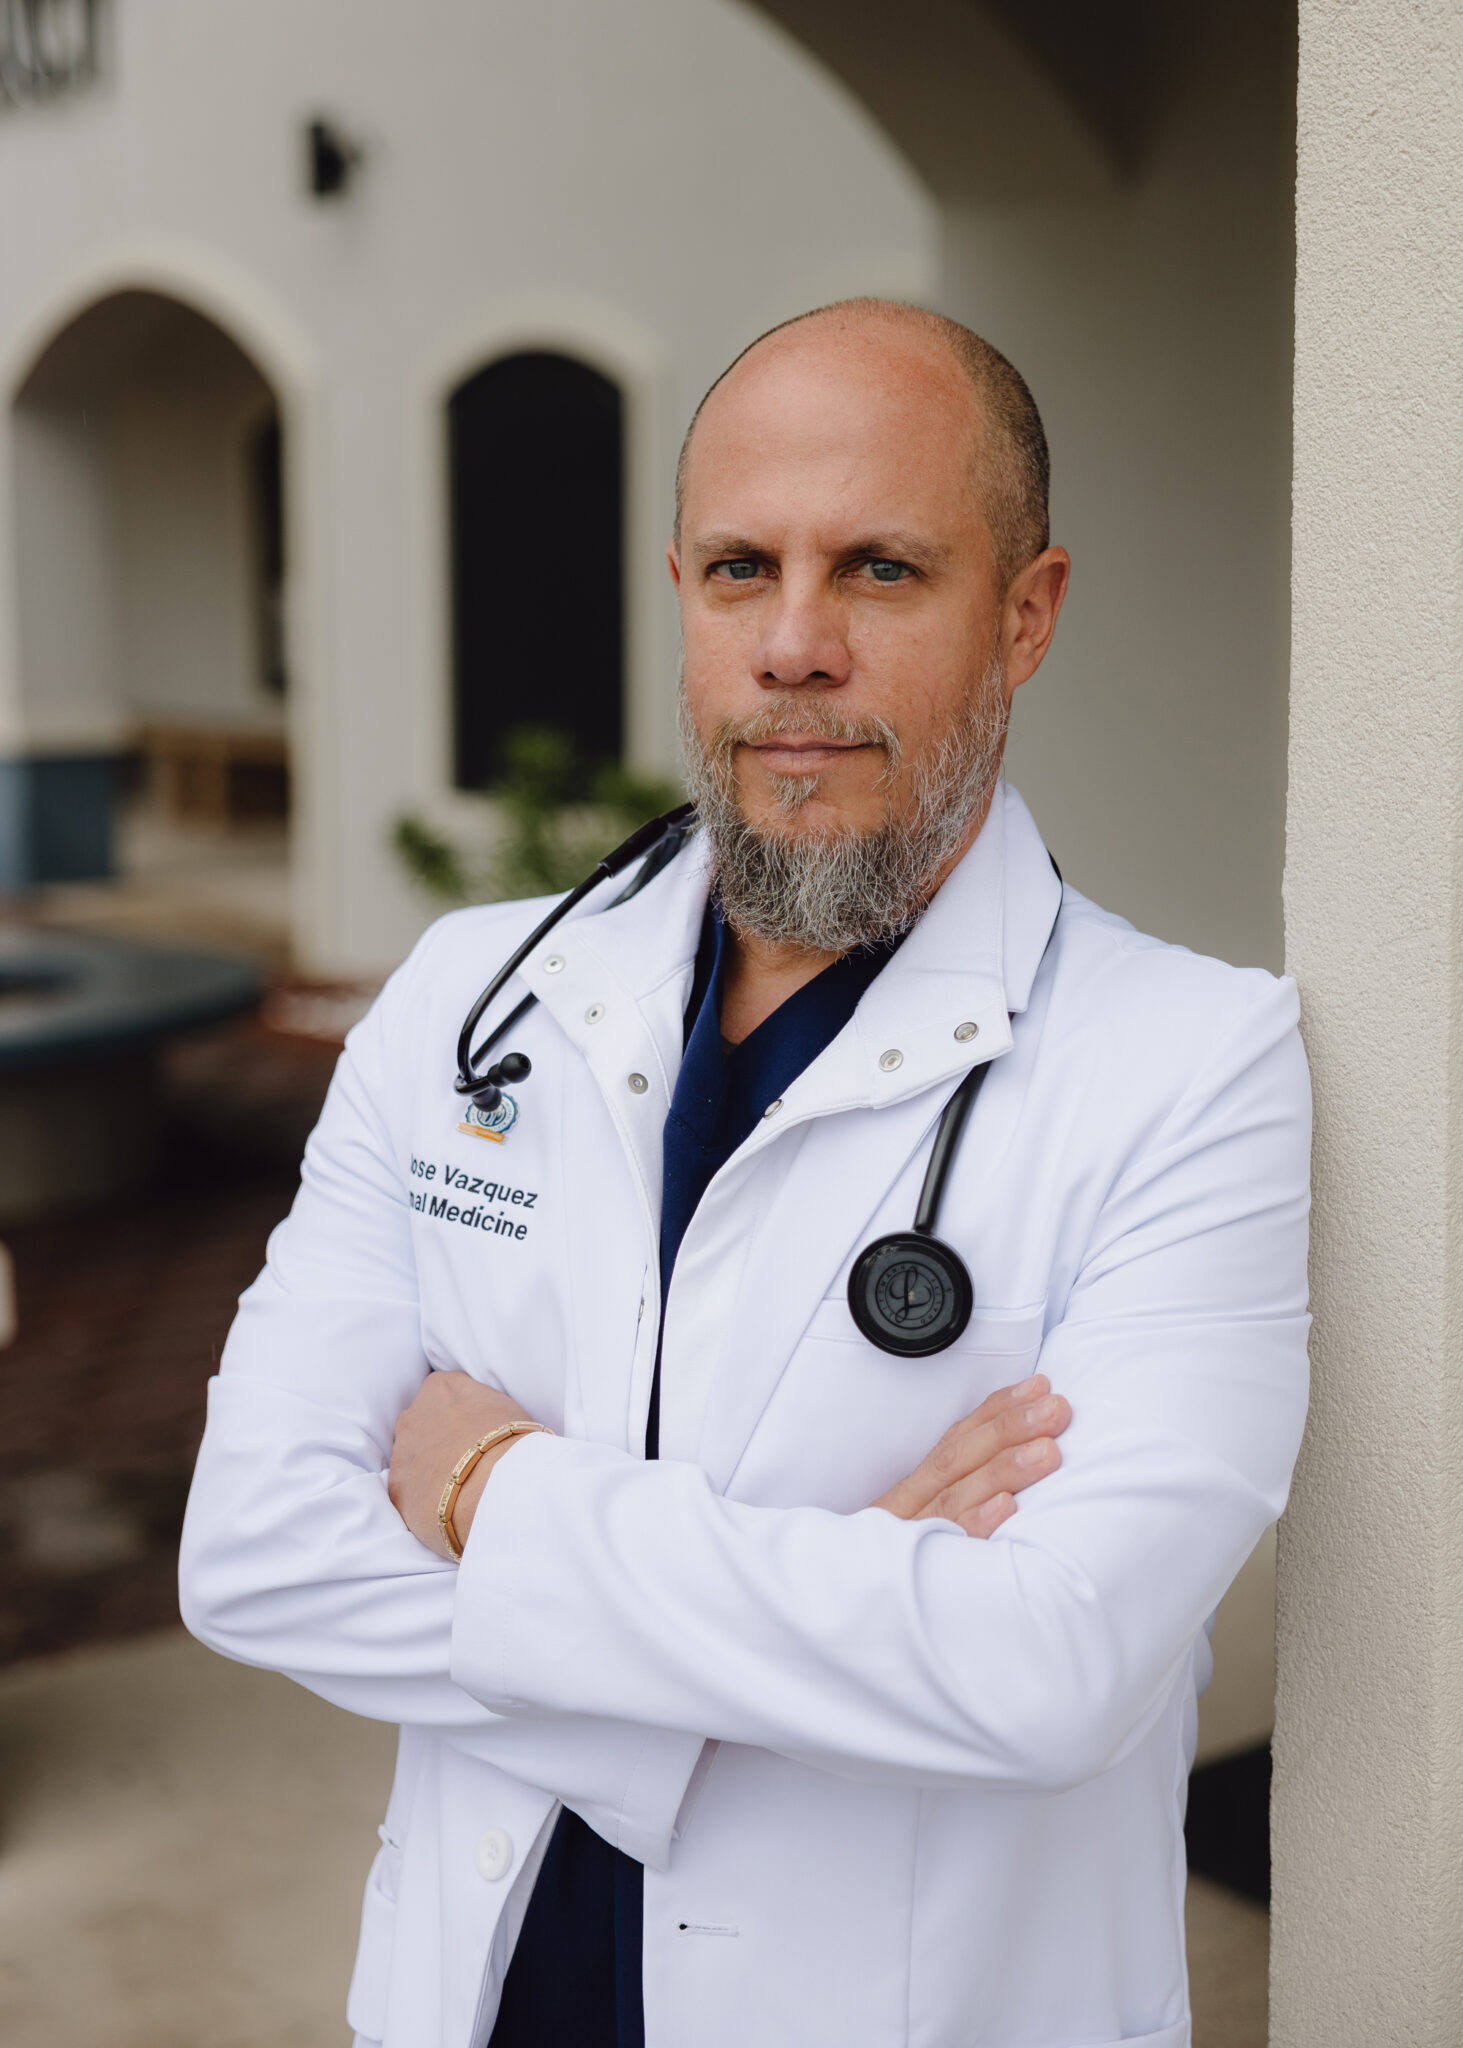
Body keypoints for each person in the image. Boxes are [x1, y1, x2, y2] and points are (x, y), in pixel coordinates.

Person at [180, 299, 1310, 2048]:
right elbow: (252, 1545)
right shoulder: (472, 1003)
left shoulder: (1190, 1066)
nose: (794, 645)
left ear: (1026, 618)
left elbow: (1050, 1665)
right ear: (681, 597)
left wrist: (491, 1496)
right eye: (736, 569)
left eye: (877, 569)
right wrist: (853, 1586)